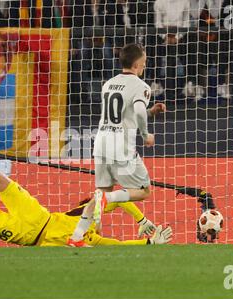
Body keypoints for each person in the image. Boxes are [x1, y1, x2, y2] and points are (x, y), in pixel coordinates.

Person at [0, 128, 173, 247]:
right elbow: (113, 199)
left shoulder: (91, 239)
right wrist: (142, 219)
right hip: (36, 214)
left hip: (27, 235)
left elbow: (118, 245)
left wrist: (149, 243)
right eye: (96, 216)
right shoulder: (81, 214)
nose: (98, 220)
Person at [68, 43, 170, 247]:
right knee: (142, 190)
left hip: (102, 143)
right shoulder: (141, 86)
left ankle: (76, 237)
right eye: (144, 61)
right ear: (138, 64)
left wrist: (152, 111)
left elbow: (124, 113)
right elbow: (139, 112)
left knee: (100, 193)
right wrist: (146, 133)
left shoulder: (109, 83)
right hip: (121, 146)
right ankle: (108, 198)